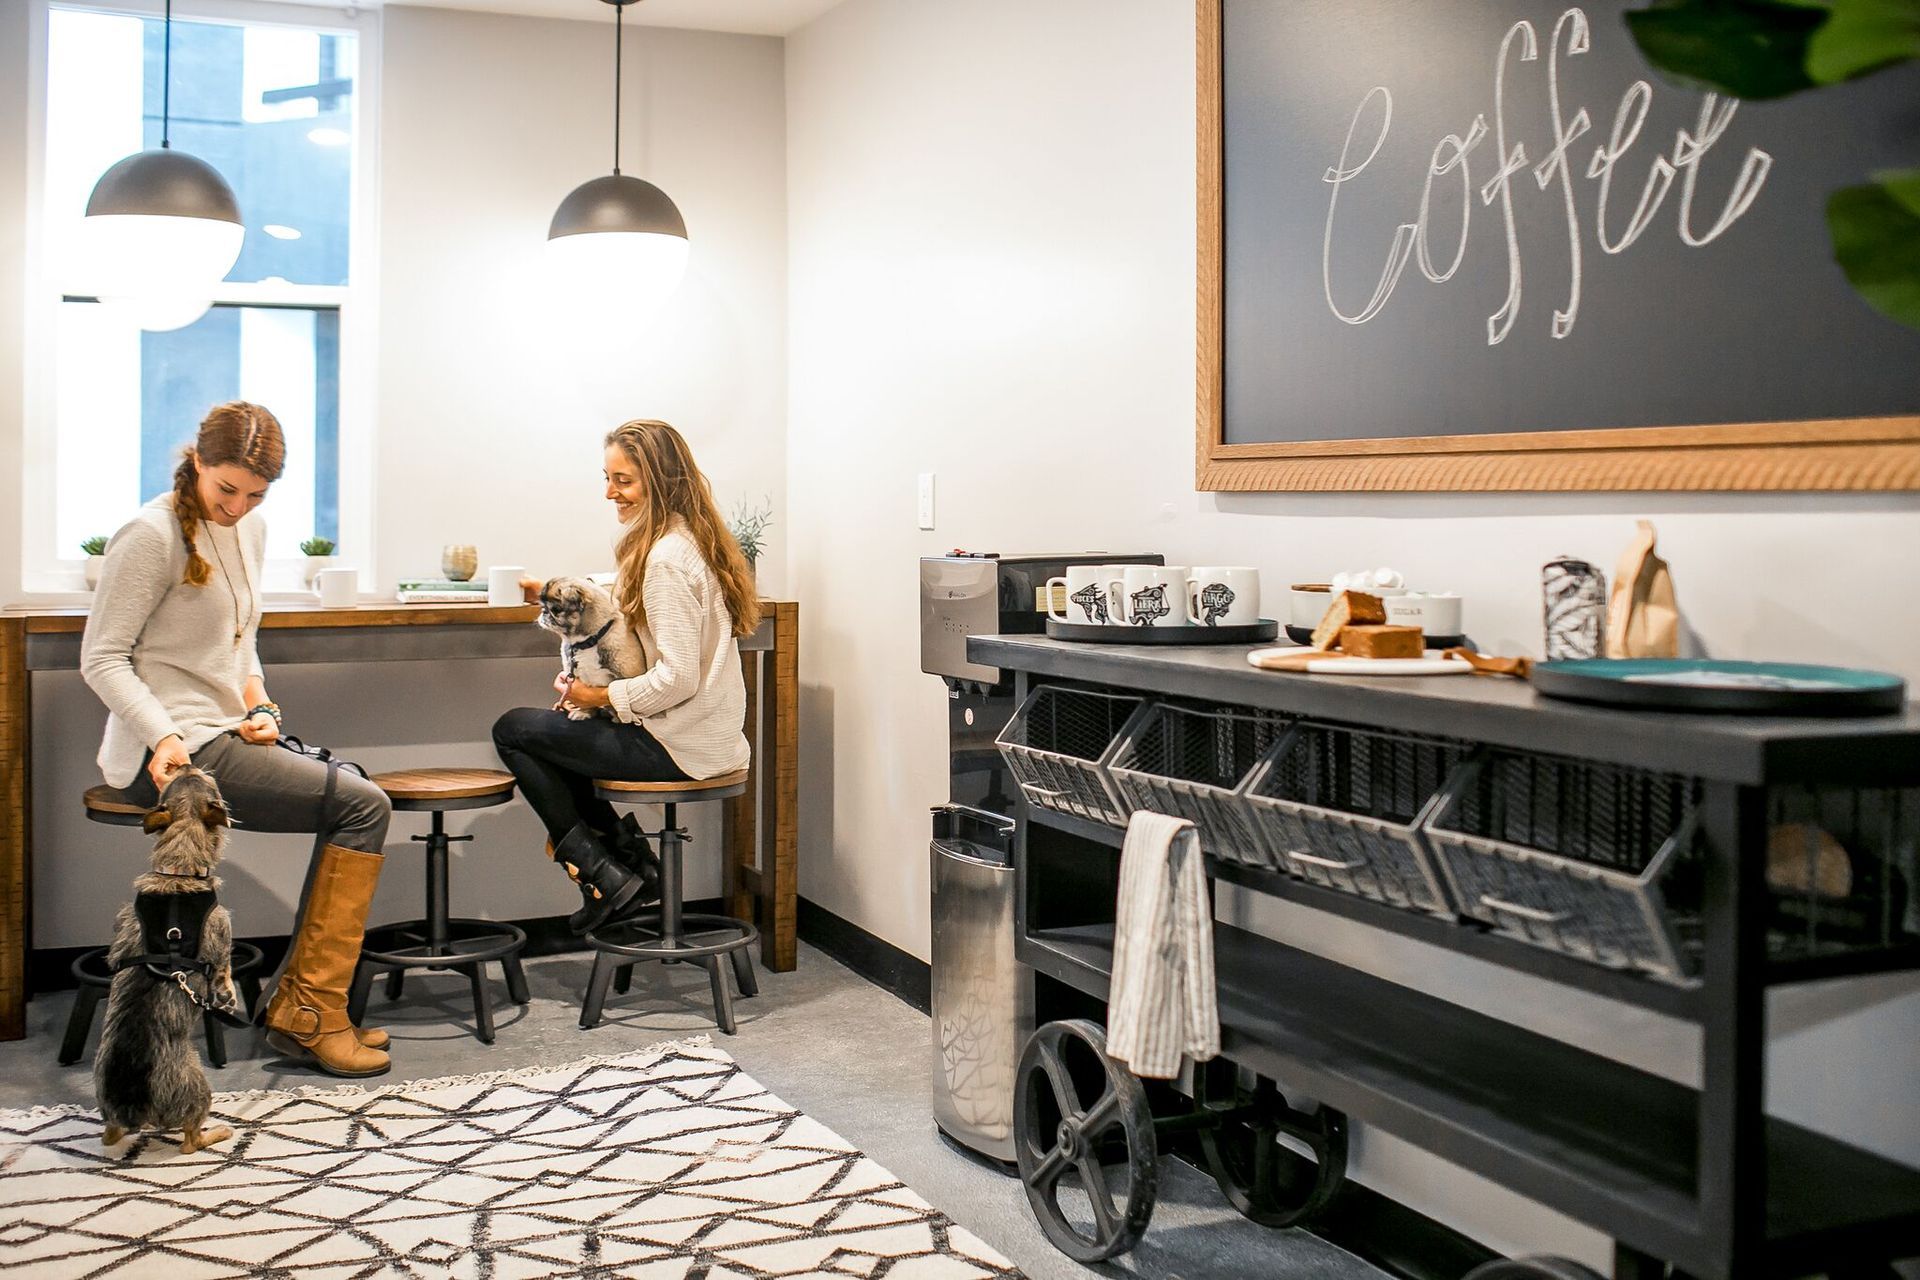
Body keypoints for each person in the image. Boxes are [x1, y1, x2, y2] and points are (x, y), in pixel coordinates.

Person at [80, 401, 393, 1078]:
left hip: (220, 732)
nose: (237, 507)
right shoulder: (150, 534)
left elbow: (240, 643)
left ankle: (306, 1010)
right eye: (226, 489)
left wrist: (263, 706)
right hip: (162, 754)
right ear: (196, 462)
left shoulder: (249, 532)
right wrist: (163, 735)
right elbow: (101, 659)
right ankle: (310, 1015)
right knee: (365, 806)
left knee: (360, 793)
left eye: (255, 495)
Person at [492, 419, 758, 932]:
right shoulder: (690, 543)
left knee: (515, 731)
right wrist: (546, 588)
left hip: (678, 747)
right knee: (557, 741)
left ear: (658, 481)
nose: (609, 492)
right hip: (709, 741)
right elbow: (619, 589)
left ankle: (611, 875)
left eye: (623, 480)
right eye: (608, 478)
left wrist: (598, 693)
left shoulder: (664, 562)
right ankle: (625, 871)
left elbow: (677, 678)